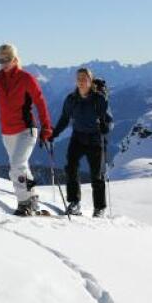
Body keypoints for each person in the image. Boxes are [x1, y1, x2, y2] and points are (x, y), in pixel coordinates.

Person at [0, 44, 53, 216]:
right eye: (0, 59)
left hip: (26, 130)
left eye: (7, 59)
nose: (3, 63)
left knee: (16, 165)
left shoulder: (26, 78)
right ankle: (32, 197)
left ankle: (23, 203)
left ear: (14, 59)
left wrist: (46, 127)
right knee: (21, 166)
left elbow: (40, 102)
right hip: (7, 132)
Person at [51, 67, 113, 218]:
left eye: (84, 78)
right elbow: (65, 118)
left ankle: (99, 208)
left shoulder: (99, 99)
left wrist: (106, 128)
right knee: (71, 168)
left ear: (90, 81)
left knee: (96, 175)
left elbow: (109, 120)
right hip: (77, 137)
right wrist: (54, 133)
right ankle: (74, 203)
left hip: (95, 138)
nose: (81, 81)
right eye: (79, 78)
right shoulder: (71, 99)